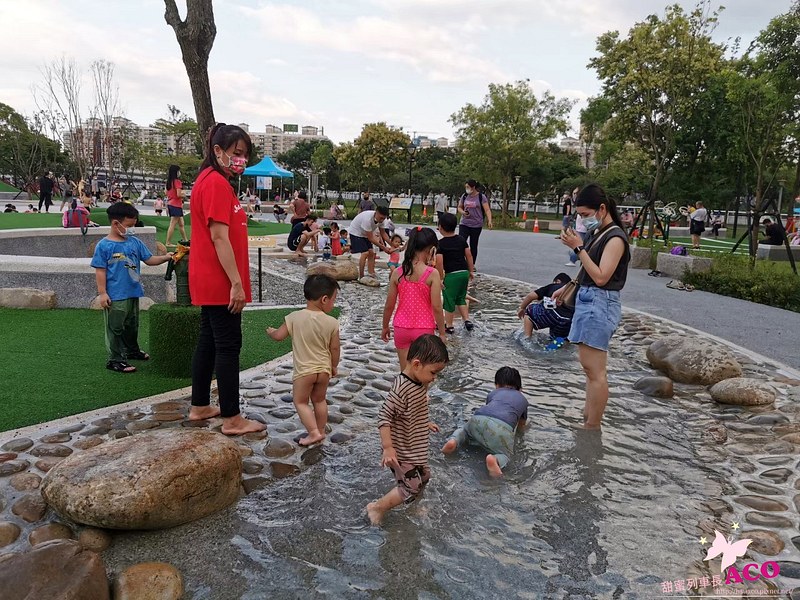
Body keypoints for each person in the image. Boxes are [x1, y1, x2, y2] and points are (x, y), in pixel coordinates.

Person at [188, 122, 264, 436]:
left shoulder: (207, 180)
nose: (241, 159)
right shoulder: (216, 184)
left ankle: (200, 405)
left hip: (209, 278)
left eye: (245, 154)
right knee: (229, 346)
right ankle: (232, 418)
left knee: (208, 341)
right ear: (217, 151)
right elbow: (220, 238)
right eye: (236, 153)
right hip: (219, 280)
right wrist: (236, 283)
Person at [555, 183, 630, 430]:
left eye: (586, 215)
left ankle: (593, 425)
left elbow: (601, 276)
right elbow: (588, 271)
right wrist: (567, 287)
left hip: (600, 302)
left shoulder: (615, 237)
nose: (583, 220)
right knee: (589, 369)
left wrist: (578, 247)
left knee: (596, 371)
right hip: (589, 299)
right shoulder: (600, 233)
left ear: (601, 208)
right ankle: (587, 417)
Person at [366, 334, 449, 526]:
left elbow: (415, 407)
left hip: (416, 446)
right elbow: (384, 417)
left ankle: (412, 505)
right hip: (401, 450)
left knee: (424, 477)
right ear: (417, 364)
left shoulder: (420, 382)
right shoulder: (400, 389)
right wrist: (388, 448)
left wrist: (424, 421)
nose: (434, 378)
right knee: (411, 485)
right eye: (434, 372)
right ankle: (378, 507)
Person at [91, 202, 172, 374]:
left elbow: (149, 259)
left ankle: (131, 350)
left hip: (132, 291)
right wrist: (103, 293)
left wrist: (166, 257)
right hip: (116, 294)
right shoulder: (104, 246)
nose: (132, 228)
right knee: (116, 326)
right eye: (129, 225)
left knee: (132, 324)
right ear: (115, 223)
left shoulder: (134, 242)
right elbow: (100, 270)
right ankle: (116, 359)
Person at [267, 274, 341, 446]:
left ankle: (314, 432)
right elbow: (335, 348)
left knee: (300, 401)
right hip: (323, 370)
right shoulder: (332, 322)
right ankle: (321, 430)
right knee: (319, 400)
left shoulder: (294, 317)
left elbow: (279, 336)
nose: (333, 303)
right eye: (333, 299)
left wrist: (271, 332)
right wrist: (334, 366)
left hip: (304, 371)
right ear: (324, 299)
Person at [442, 366, 527, 477]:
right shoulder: (523, 399)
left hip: (478, 419)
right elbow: (521, 425)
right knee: (505, 454)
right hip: (501, 428)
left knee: (465, 432)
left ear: (496, 385)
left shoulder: (493, 393)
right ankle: (494, 459)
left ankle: (454, 440)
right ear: (520, 389)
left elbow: (490, 411)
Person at [381, 227, 447, 370]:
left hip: (401, 327)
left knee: (406, 373)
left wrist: (385, 326)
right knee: (422, 374)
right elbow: (436, 307)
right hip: (424, 329)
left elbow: (389, 305)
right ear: (431, 249)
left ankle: (404, 393)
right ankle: (422, 393)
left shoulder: (398, 272)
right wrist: (442, 333)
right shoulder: (432, 273)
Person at [435, 212, 475, 334]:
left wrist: (441, 278)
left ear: (440, 227)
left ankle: (449, 325)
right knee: (461, 298)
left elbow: (439, 262)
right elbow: (469, 255)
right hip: (464, 273)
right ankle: (467, 320)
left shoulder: (440, 244)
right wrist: (471, 270)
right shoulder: (461, 239)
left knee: (449, 300)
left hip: (451, 275)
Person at [517, 272, 574, 346]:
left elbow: (530, 296)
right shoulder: (572, 291)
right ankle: (553, 349)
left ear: (557, 281)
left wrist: (522, 308)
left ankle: (527, 339)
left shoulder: (554, 286)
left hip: (552, 313)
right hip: (568, 320)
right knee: (558, 340)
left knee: (529, 311)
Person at [349, 206, 393, 280]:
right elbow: (371, 238)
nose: (382, 220)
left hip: (365, 234)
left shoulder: (383, 221)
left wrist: (392, 244)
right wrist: (384, 247)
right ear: (376, 213)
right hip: (356, 232)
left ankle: (371, 273)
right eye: (381, 218)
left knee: (372, 253)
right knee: (365, 253)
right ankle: (361, 276)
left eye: (383, 218)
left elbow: (383, 233)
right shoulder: (367, 219)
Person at [458, 179, 493, 264]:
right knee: (461, 243)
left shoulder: (481, 197)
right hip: (464, 223)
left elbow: (487, 210)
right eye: (465, 187)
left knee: (473, 245)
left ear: (473, 187)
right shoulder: (465, 196)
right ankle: (460, 262)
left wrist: (489, 220)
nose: (466, 189)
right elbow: (459, 207)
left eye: (468, 187)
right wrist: (463, 212)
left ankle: (471, 264)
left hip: (476, 224)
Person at [165, 164, 187, 246]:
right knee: (173, 224)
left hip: (171, 203)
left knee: (181, 224)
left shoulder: (169, 182)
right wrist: (184, 194)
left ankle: (185, 239)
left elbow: (166, 193)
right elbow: (178, 194)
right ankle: (168, 242)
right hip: (176, 205)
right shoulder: (177, 182)